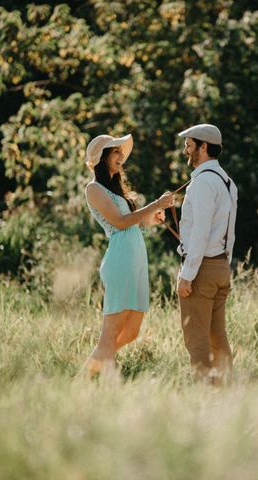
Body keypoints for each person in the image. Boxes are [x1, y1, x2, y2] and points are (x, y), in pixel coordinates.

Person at [79, 133, 174, 379]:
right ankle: (95, 381)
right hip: (121, 260)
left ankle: (92, 368)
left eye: (121, 151)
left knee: (131, 331)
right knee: (110, 334)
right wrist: (154, 204)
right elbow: (120, 223)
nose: (122, 156)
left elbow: (133, 223)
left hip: (136, 261)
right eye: (115, 152)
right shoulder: (94, 189)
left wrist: (152, 219)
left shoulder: (116, 189)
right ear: (102, 158)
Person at [175, 124, 238, 385]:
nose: (185, 150)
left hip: (202, 270)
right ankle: (228, 391)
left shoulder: (201, 183)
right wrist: (224, 265)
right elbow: (229, 233)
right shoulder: (227, 182)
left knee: (196, 338)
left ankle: (204, 396)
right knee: (216, 336)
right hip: (221, 267)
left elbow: (200, 232)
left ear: (203, 147)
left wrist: (187, 275)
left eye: (189, 145)